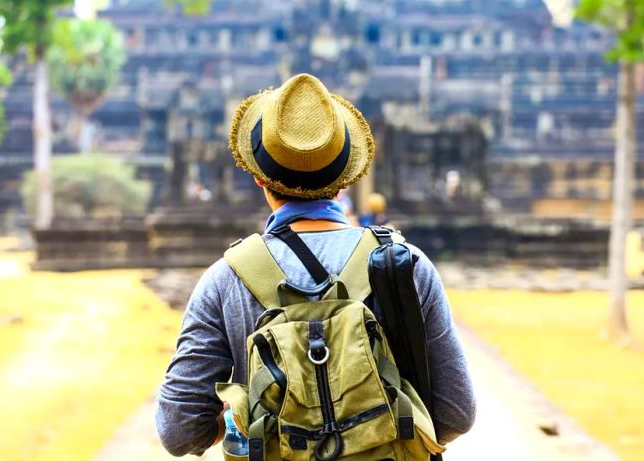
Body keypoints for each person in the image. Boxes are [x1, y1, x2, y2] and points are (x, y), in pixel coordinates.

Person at [155, 73, 476, 457]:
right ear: (343, 182)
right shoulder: (407, 266)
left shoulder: (227, 279)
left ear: (260, 178)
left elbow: (179, 430)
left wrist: (240, 417)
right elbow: (456, 413)